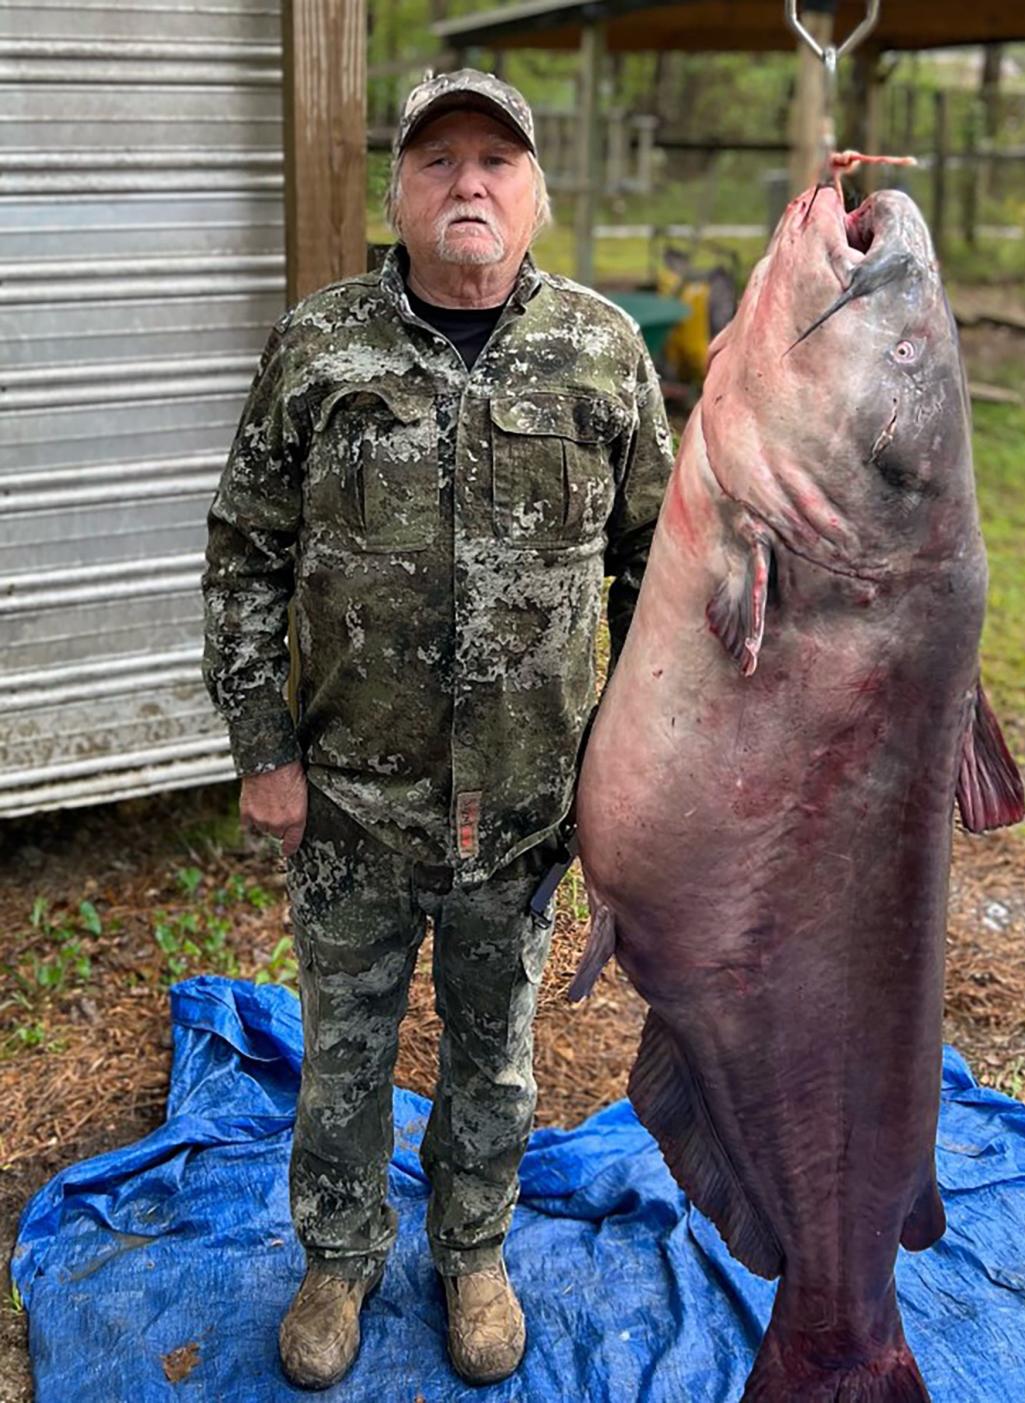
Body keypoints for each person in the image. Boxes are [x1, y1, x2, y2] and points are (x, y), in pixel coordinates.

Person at [201, 68, 674, 1391]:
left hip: (527, 806)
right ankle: (339, 1259)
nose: (469, 182)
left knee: (496, 1054)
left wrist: (629, 776)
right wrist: (264, 749)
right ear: (396, 191)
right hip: (352, 801)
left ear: (537, 194)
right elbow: (245, 550)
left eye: (497, 162)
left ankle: (471, 1252)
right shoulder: (319, 345)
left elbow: (661, 575)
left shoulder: (603, 354)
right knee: (341, 1053)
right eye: (438, 160)